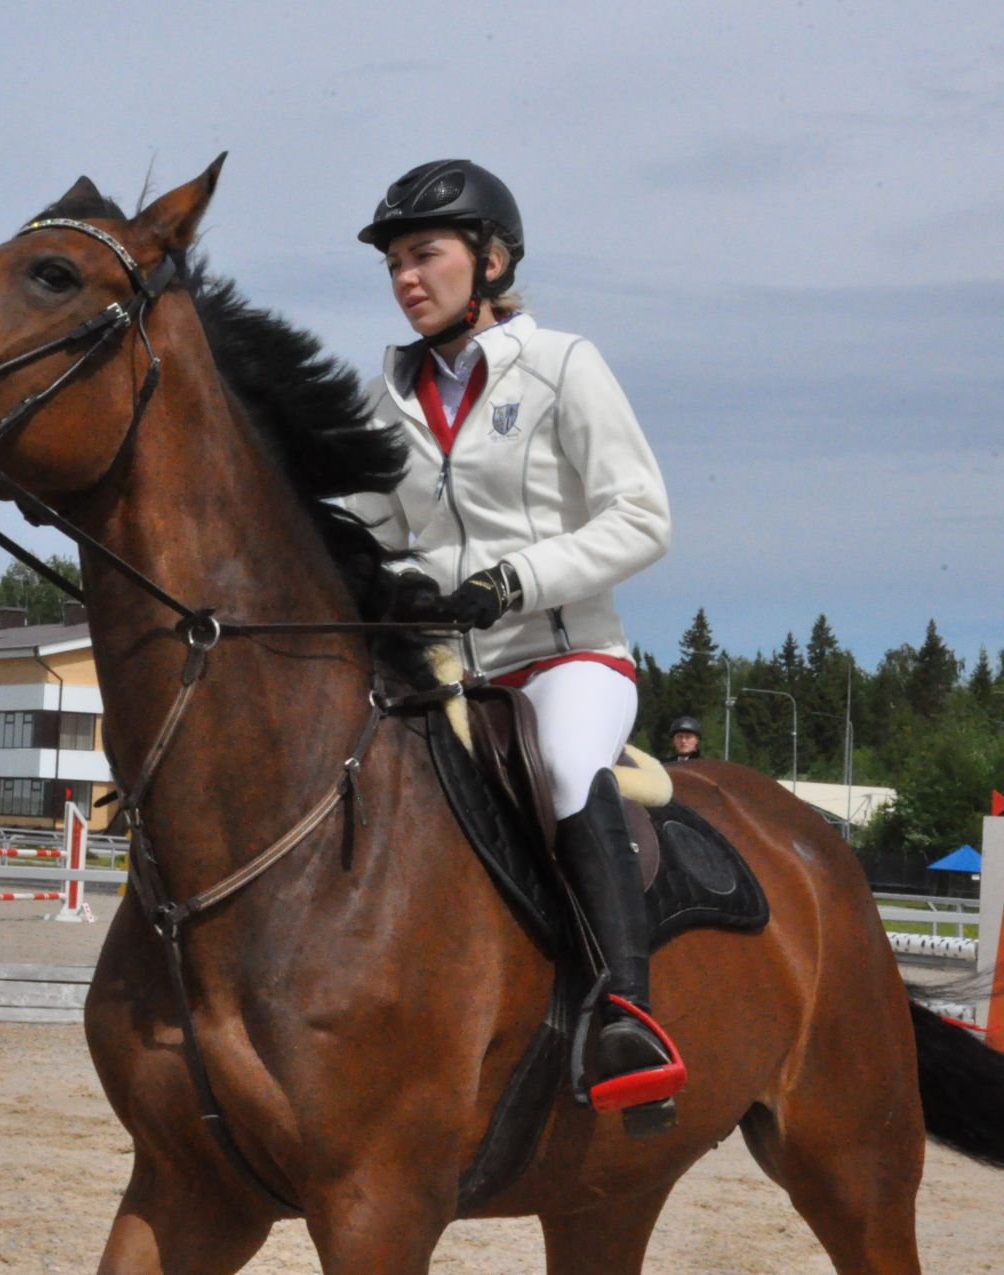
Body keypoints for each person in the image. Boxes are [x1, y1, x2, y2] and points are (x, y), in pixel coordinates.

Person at [342, 161, 682, 1118]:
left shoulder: (564, 365)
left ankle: (628, 1015)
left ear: (489, 261)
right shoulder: (391, 394)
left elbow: (642, 516)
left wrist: (514, 580)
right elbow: (370, 527)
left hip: (565, 655)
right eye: (395, 263)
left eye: (425, 255)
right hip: (446, 667)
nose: (407, 277)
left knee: (571, 768)